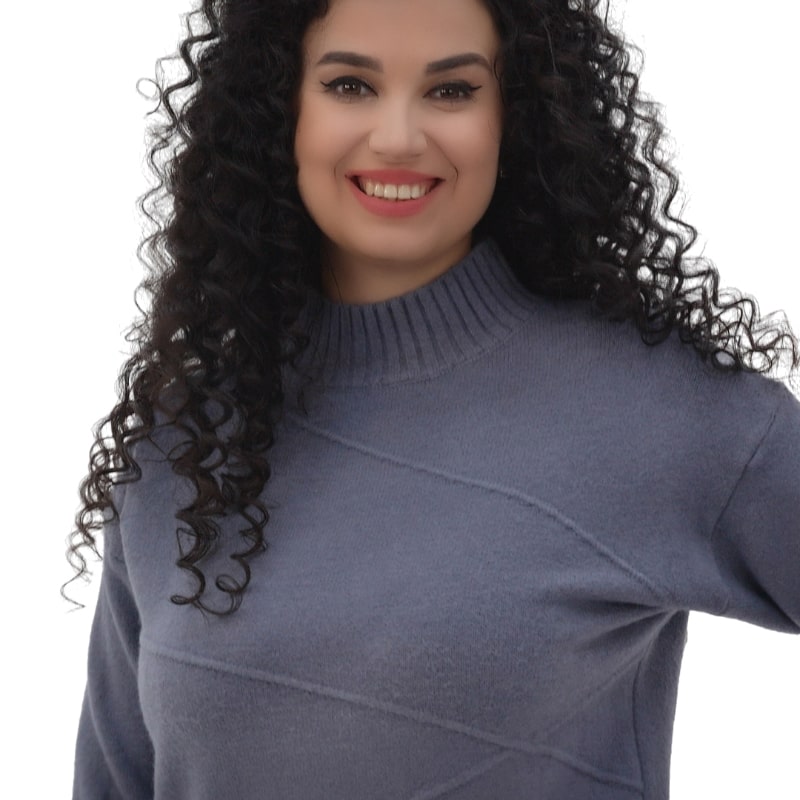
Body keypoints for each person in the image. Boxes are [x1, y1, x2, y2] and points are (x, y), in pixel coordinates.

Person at [68, 0, 800, 797]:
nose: (398, 137)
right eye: (350, 85)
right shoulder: (185, 446)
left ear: (514, 114)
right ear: (279, 107)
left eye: (451, 91)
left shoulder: (654, 412)